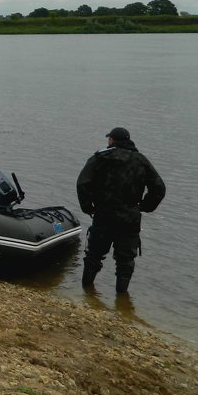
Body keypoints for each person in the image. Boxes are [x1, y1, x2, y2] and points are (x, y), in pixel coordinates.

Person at [76, 126, 166, 294]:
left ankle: (86, 290)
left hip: (103, 215)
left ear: (112, 140)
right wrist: (144, 207)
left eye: (108, 139)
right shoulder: (141, 160)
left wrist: (88, 207)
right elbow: (159, 188)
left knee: (94, 255)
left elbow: (82, 183)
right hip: (129, 218)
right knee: (125, 260)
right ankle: (121, 298)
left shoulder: (100, 158)